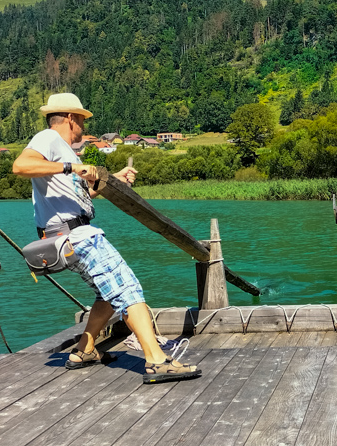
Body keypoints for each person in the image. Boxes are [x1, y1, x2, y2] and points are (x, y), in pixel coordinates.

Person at [12, 92, 200, 383]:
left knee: (107, 293)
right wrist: (72, 167)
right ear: (71, 118)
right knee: (128, 288)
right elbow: (20, 166)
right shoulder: (49, 139)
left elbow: (79, 198)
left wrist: (114, 180)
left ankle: (85, 349)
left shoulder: (62, 149)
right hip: (77, 235)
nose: (84, 128)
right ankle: (156, 360)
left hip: (68, 234)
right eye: (82, 122)